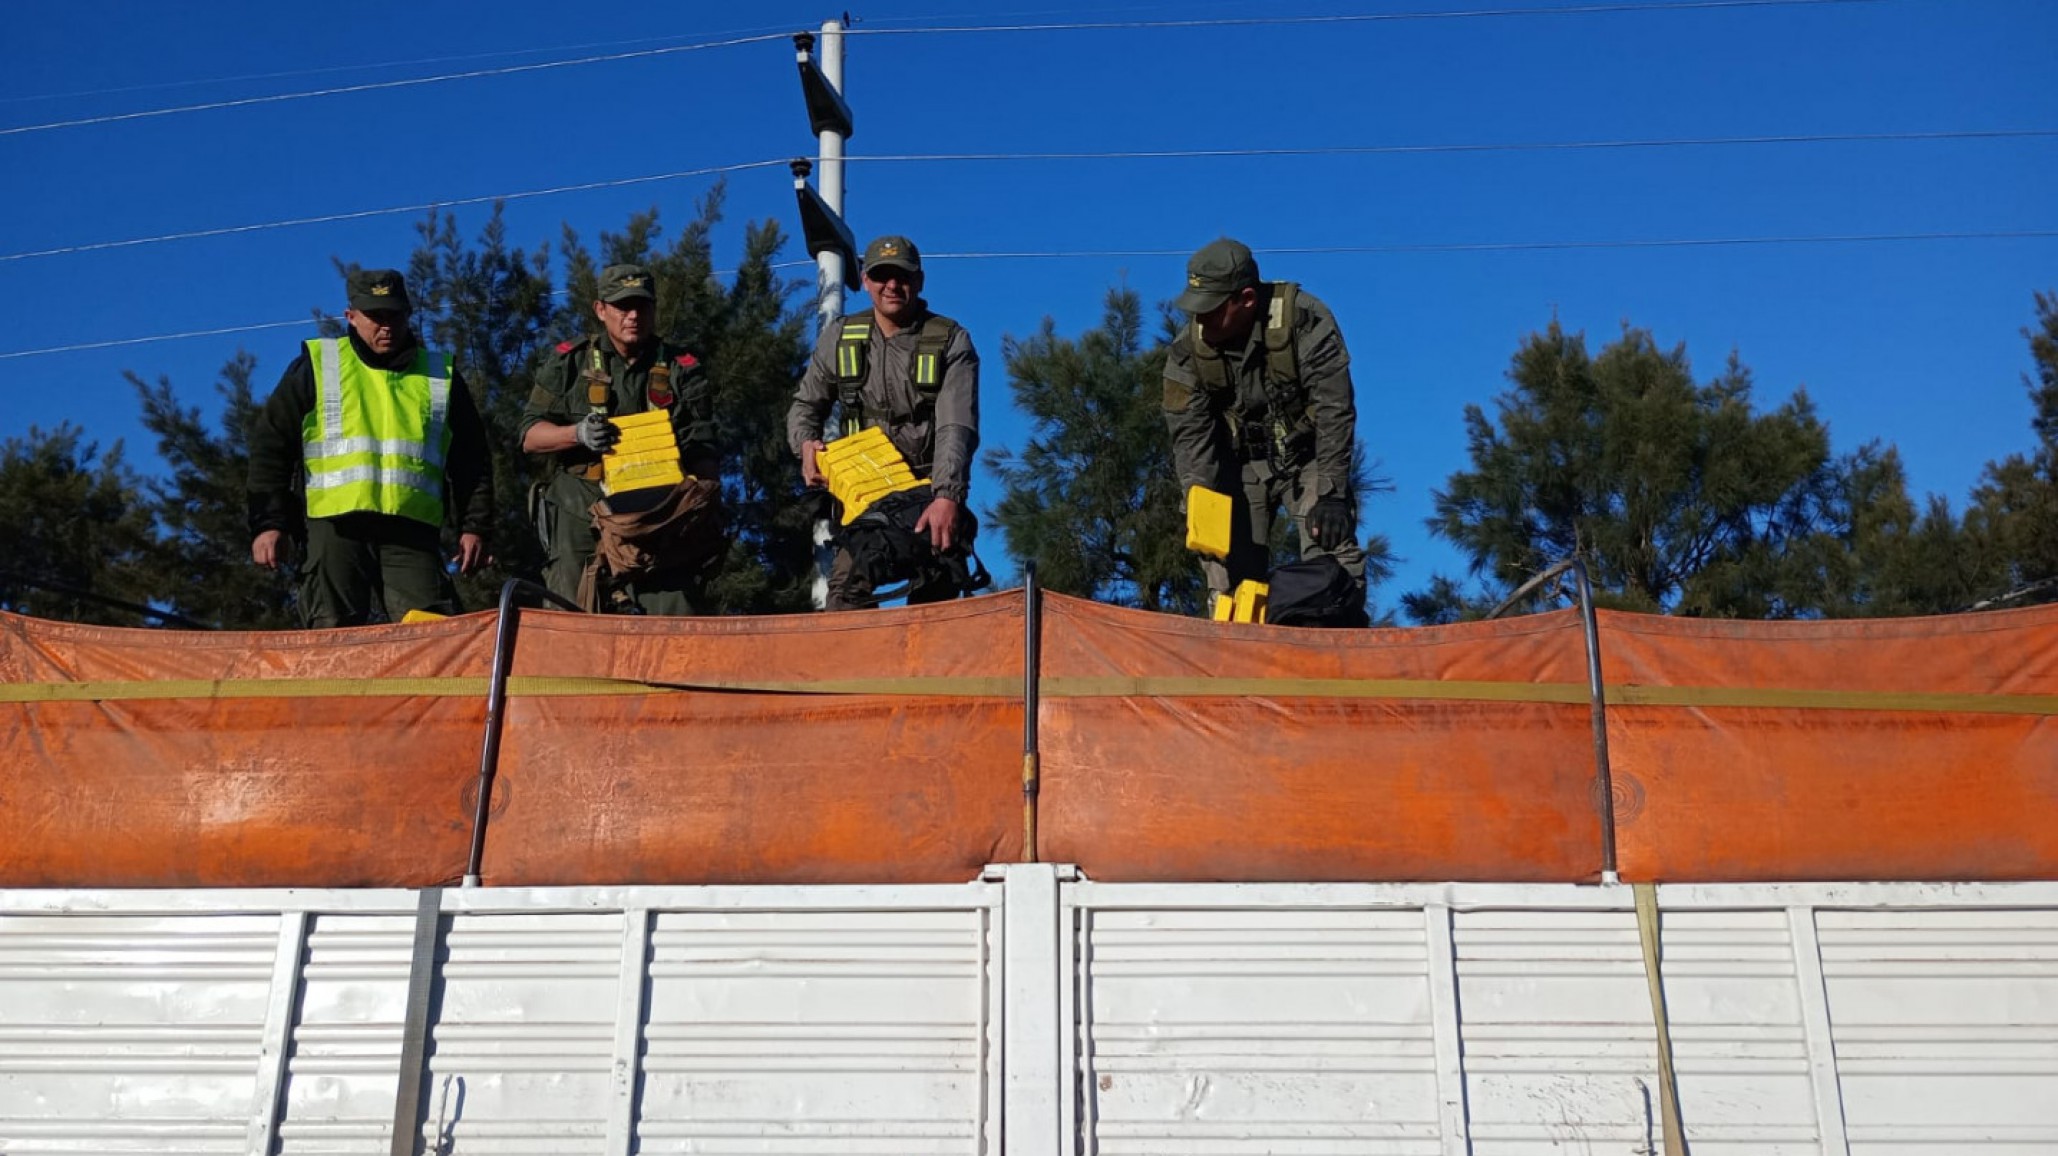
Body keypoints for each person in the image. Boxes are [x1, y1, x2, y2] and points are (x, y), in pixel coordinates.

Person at [247, 268, 490, 627]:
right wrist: (269, 524)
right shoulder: (317, 366)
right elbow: (271, 447)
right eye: (375, 316)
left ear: (409, 313)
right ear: (351, 317)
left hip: (412, 530)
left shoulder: (441, 375)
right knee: (332, 631)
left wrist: (477, 527)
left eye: (395, 314)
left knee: (434, 633)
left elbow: (472, 460)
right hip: (335, 526)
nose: (386, 325)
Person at [1162, 238, 1367, 608]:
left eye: (1211, 308)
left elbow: (1335, 409)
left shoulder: (1305, 322)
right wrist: (1199, 500)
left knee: (1332, 552)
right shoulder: (1186, 353)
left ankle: (1336, 646)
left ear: (1246, 299)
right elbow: (1190, 438)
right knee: (1227, 576)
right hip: (1237, 466)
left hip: (1308, 458)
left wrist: (1332, 492)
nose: (1200, 319)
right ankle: (1237, 658)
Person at [788, 234, 981, 610]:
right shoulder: (841, 337)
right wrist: (805, 444)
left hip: (929, 496)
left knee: (935, 608)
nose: (892, 286)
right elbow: (804, 405)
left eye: (903, 276)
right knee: (844, 595)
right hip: (866, 504)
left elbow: (956, 427)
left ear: (919, 281)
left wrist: (947, 497)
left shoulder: (950, 341)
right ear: (865, 280)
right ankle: (854, 667)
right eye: (881, 276)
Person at [518, 263, 720, 614]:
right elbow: (530, 436)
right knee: (571, 612)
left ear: (654, 309)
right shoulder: (571, 361)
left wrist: (705, 506)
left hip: (658, 512)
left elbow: (702, 446)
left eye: (642, 306)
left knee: (673, 610)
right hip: (579, 507)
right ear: (600, 309)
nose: (632, 316)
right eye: (622, 306)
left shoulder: (680, 368)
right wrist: (577, 433)